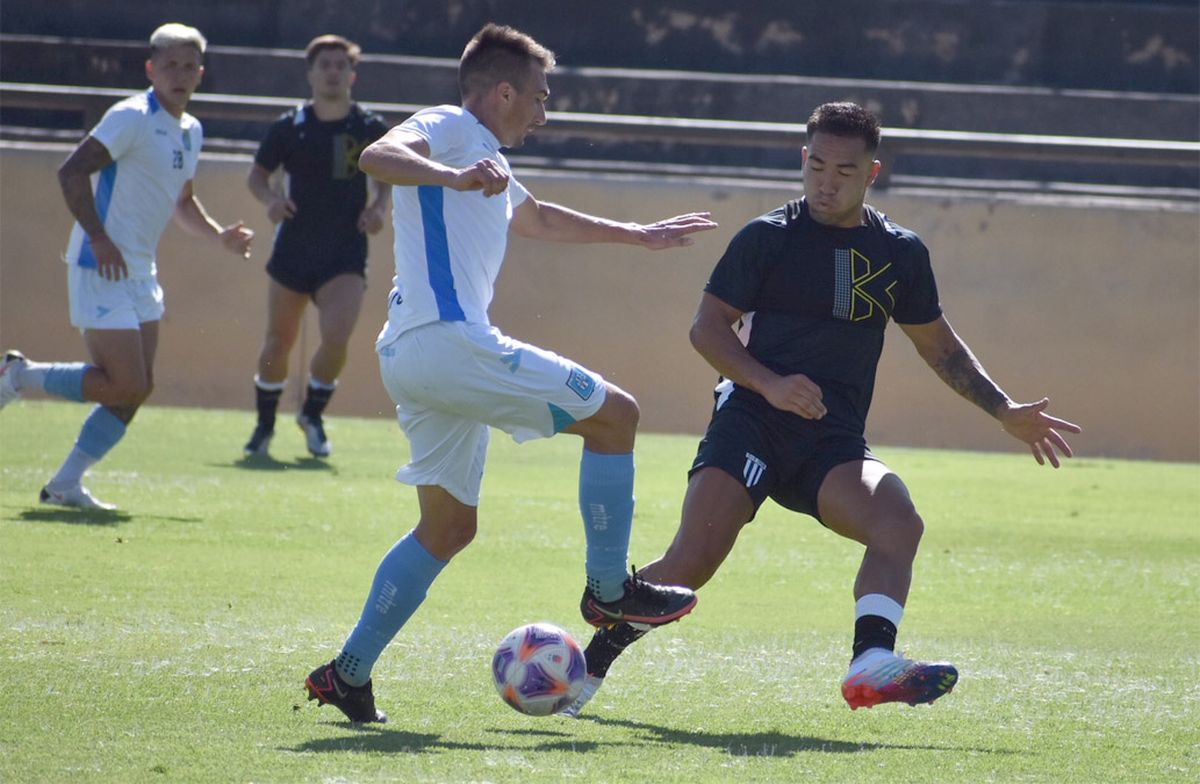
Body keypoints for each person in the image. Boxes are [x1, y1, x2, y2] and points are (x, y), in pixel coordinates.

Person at [562, 101, 1082, 717]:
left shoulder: (900, 253)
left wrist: (1003, 410)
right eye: (816, 166)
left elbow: (939, 347)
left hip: (831, 441)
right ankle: (578, 672)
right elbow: (707, 331)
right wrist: (769, 384)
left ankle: (871, 662)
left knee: (898, 522)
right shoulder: (766, 238)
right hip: (751, 422)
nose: (826, 181)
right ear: (801, 161)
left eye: (843, 169)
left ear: (872, 173)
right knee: (690, 564)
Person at [301, 23, 717, 723]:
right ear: (501, 92)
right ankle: (610, 591)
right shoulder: (454, 130)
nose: (544, 112)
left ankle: (349, 673)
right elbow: (378, 153)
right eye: (539, 96)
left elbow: (541, 219)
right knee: (616, 415)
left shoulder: (485, 154)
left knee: (447, 529)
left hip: (412, 356)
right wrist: (450, 173)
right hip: (449, 344)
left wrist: (637, 235)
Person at [0, 23, 254, 510]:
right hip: (100, 263)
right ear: (150, 69)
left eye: (188, 66)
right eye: (169, 64)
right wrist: (98, 237)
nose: (179, 74)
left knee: (136, 388)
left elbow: (182, 202)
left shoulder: (190, 129)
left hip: (140, 270)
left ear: (200, 72)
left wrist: (219, 235)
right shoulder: (132, 116)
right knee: (125, 382)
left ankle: (64, 485)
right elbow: (71, 171)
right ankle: (19, 375)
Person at [243, 34, 391, 459]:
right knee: (278, 342)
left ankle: (312, 413)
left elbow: (386, 177)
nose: (332, 72)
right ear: (310, 73)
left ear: (352, 74)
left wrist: (379, 207)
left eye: (340, 65)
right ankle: (264, 425)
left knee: (337, 335)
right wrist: (271, 200)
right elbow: (257, 176)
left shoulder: (368, 128)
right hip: (293, 248)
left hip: (345, 251)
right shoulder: (289, 127)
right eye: (324, 65)